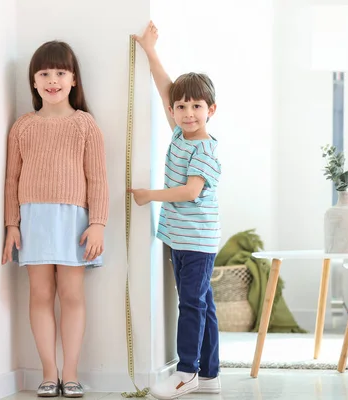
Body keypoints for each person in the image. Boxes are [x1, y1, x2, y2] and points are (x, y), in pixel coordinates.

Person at [2, 40, 109, 398]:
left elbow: (97, 178)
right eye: (44, 73)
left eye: (60, 72)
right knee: (41, 294)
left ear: (73, 79)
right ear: (33, 82)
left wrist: (98, 223)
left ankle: (71, 373)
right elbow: (11, 179)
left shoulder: (85, 125)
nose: (52, 80)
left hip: (74, 222)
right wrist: (11, 224)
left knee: (72, 294)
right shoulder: (22, 127)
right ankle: (49, 374)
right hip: (33, 219)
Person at [129, 21, 222, 398]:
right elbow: (165, 84)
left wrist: (150, 195)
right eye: (181, 107)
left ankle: (186, 372)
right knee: (203, 303)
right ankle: (210, 374)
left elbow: (190, 192)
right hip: (182, 239)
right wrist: (150, 50)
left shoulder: (205, 149)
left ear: (211, 109)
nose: (187, 112)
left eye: (196, 106)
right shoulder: (180, 134)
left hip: (197, 240)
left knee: (192, 305)